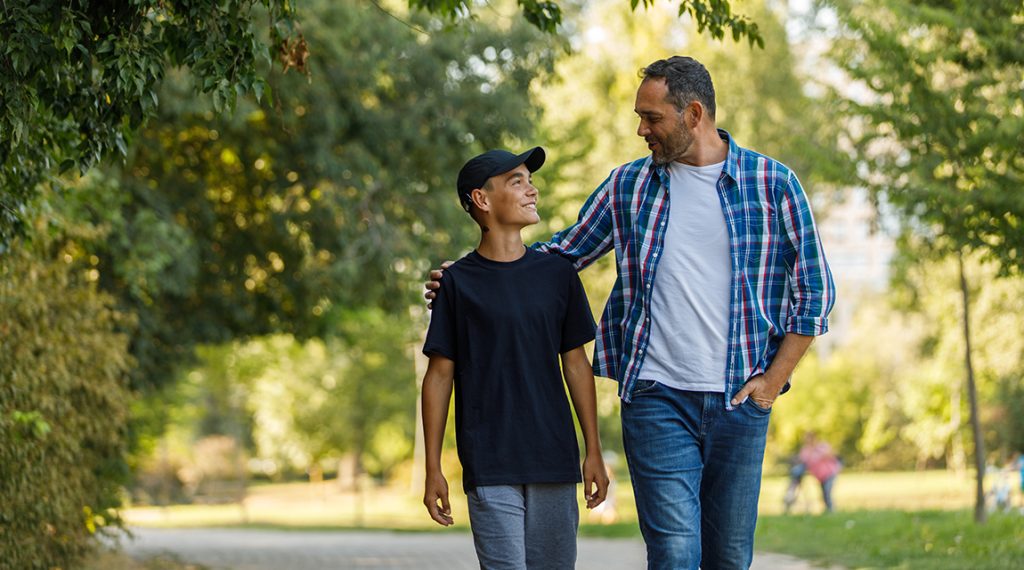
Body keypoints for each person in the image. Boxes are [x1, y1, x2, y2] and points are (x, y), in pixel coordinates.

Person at [426, 56, 834, 569]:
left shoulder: (772, 184)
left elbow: (815, 293)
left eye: (652, 118)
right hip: (655, 396)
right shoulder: (630, 186)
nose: (642, 130)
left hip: (740, 398)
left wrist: (773, 381)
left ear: (693, 113)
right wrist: (467, 278)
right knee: (675, 552)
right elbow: (561, 255)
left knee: (729, 555)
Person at [420, 147, 610, 569]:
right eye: (517, 181)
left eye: (530, 179)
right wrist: (433, 468)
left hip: (554, 458)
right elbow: (438, 378)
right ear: (482, 200)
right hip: (490, 461)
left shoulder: (558, 275)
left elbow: (576, 365)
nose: (532, 190)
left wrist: (592, 448)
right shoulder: (457, 284)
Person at [797, 432, 841, 513]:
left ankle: (831, 510)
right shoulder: (806, 450)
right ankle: (828, 510)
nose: (808, 441)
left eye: (809, 439)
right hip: (820, 476)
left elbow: (831, 455)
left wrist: (818, 451)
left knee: (827, 492)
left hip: (829, 473)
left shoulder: (822, 446)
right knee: (823, 493)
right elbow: (802, 460)